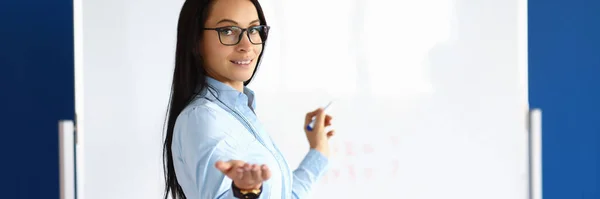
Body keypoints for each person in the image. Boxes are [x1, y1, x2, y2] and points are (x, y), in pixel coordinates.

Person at [162, 0, 335, 198]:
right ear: (196, 41)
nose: (247, 45)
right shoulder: (203, 118)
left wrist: (319, 150)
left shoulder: (236, 111)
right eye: (228, 30)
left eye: (253, 29)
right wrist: (244, 191)